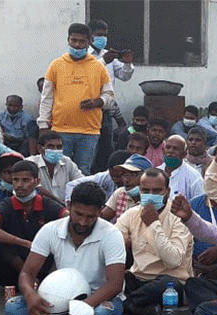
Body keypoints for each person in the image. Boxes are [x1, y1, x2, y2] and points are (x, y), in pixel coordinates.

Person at [0, 181, 125, 315]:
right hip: (60, 299)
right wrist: (30, 295)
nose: (82, 222)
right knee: (12, 308)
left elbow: (114, 285)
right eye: (78, 214)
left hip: (96, 300)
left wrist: (79, 313)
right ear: (69, 206)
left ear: (100, 211)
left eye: (90, 217)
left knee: (105, 313)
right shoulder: (50, 230)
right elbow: (27, 273)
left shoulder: (111, 235)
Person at [37, 23, 114, 175]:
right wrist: (43, 126)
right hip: (60, 130)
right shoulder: (56, 65)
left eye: (82, 41)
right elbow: (47, 98)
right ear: (68, 40)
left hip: (89, 132)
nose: (77, 45)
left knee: (82, 172)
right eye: (74, 40)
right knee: (58, 171)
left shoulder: (98, 67)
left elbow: (109, 96)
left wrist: (97, 102)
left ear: (89, 41)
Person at [116, 168, 192, 315]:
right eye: (146, 190)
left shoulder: (178, 217)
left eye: (157, 191)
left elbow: (173, 260)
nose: (151, 195)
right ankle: (138, 306)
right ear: (139, 190)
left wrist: (153, 224)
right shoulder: (132, 214)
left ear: (167, 192)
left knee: (169, 285)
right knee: (114, 276)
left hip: (168, 283)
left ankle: (125, 304)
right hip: (138, 279)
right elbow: (112, 243)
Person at [0, 160, 66, 289]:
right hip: (14, 268)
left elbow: (69, 218)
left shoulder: (47, 204)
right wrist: (22, 242)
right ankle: (26, 279)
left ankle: (48, 278)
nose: (19, 185)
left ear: (37, 182)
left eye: (26, 180)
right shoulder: (6, 205)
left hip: (43, 262)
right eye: (15, 180)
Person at [87, 19, 134, 174]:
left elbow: (124, 76)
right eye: (99, 35)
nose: (103, 39)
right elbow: (87, 73)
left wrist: (127, 63)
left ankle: (104, 177)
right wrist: (103, 61)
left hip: (105, 110)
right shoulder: (84, 55)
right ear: (90, 36)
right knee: (89, 149)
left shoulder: (108, 56)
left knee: (105, 149)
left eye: (105, 35)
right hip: (88, 109)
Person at [26, 132, 84, 201]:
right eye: (51, 146)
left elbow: (81, 181)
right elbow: (36, 188)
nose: (55, 150)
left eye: (59, 147)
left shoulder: (67, 162)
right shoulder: (31, 162)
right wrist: (60, 204)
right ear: (40, 148)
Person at [65, 150, 131, 203]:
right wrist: (71, 204)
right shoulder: (106, 176)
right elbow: (72, 185)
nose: (115, 180)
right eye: (113, 177)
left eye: (118, 176)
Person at [102, 153, 151, 222]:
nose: (126, 179)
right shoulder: (120, 193)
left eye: (133, 174)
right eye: (124, 174)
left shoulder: (152, 199)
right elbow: (102, 217)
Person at [159, 134, 204, 201]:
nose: (170, 151)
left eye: (176, 149)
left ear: (184, 154)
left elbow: (199, 204)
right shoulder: (156, 172)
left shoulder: (194, 177)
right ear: (163, 150)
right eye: (168, 147)